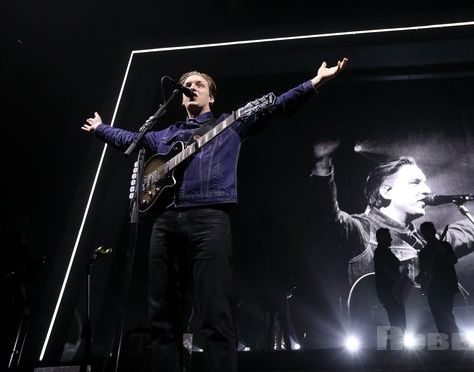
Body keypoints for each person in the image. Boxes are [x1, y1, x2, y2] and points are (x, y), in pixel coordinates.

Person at [81, 57, 348, 372]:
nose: (192, 88)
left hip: (209, 217)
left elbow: (277, 107)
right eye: (188, 86)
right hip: (165, 220)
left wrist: (315, 82)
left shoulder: (231, 123)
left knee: (215, 311)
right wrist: (101, 129)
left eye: (199, 84)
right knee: (162, 314)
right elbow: (131, 140)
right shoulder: (164, 133)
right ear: (180, 97)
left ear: (211, 96)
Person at [310, 150, 474, 335]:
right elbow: (327, 215)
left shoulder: (426, 241)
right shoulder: (359, 229)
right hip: (379, 344)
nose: (427, 189)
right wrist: (322, 166)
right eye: (415, 182)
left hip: (428, 344)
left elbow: (463, 233)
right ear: (386, 192)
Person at [417, 221, 459, 337]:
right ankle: (446, 341)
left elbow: (453, 260)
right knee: (438, 316)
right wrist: (420, 278)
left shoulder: (445, 245)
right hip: (432, 288)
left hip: (446, 286)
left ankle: (454, 341)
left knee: (447, 315)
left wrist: (443, 252)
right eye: (424, 233)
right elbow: (422, 271)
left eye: (428, 232)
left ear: (434, 231)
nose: (426, 235)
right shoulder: (424, 252)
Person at [373, 228, 413, 332]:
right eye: (388, 236)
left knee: (397, 322)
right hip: (390, 291)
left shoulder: (382, 251)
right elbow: (386, 269)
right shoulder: (381, 251)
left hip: (391, 291)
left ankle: (395, 345)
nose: (390, 239)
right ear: (381, 238)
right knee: (398, 323)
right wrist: (398, 281)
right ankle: (395, 346)